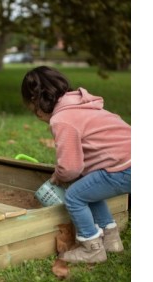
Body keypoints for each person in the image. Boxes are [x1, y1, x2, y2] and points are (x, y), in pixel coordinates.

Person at [21, 65, 131, 264]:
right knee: (88, 189)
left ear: (36, 102)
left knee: (74, 196)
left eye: (34, 111)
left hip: (124, 168)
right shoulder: (82, 105)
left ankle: (92, 248)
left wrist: (59, 176)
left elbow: (70, 167)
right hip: (128, 161)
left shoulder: (62, 119)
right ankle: (111, 239)